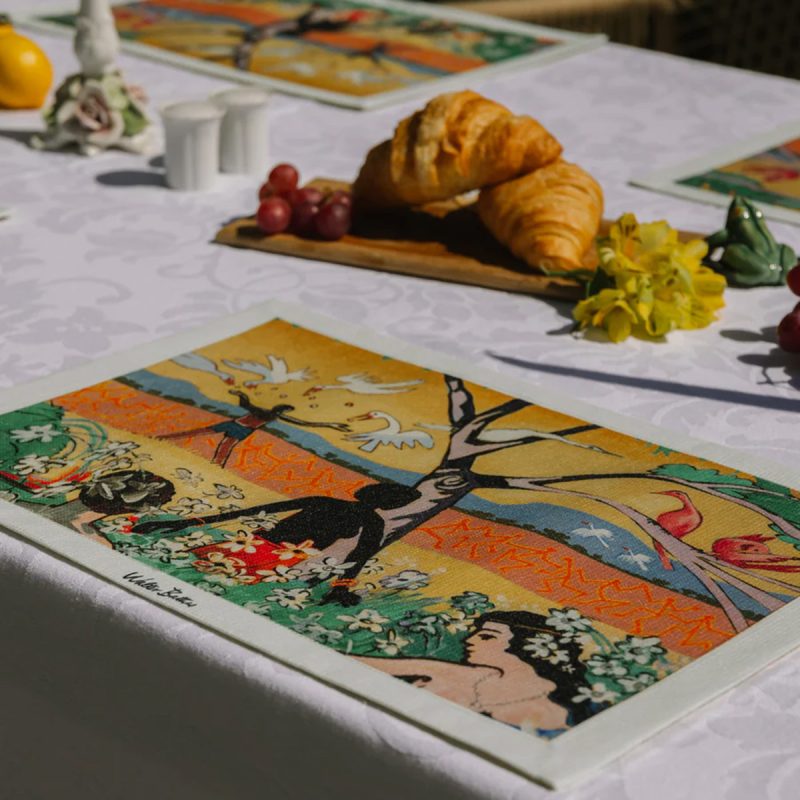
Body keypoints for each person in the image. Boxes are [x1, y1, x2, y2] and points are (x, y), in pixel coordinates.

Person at [358, 610, 593, 738]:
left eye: (486, 636)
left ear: (524, 645)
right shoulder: (466, 675)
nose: (469, 641)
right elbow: (357, 664)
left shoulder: (574, 698)